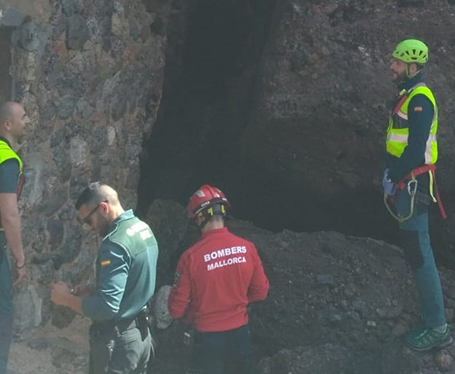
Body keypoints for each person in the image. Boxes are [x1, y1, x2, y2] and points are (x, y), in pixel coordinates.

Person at [382, 39, 451, 351]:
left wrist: (395, 177)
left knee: (420, 252)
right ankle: (433, 321)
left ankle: (437, 327)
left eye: (397, 62)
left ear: (412, 66)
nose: (392, 67)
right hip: (407, 182)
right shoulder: (409, 96)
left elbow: (416, 147)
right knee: (415, 250)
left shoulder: (420, 99)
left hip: (414, 184)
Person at [51, 183, 158, 374]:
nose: (90, 228)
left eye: (88, 221)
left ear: (103, 208)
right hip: (142, 337)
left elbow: (107, 307)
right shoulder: (143, 229)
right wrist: (93, 289)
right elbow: (133, 282)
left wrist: (66, 299)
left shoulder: (115, 244)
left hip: (120, 344)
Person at [168, 185, 270, 374]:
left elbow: (176, 310)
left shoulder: (190, 258)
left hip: (207, 340)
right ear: (223, 213)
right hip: (241, 334)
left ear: (199, 217)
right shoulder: (247, 248)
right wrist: (236, 302)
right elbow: (261, 292)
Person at [0, 102, 28, 374]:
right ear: (7, 124)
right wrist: (20, 260)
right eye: (23, 117)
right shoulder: (7, 160)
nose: (27, 121)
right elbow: (8, 214)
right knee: (2, 312)